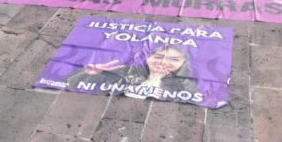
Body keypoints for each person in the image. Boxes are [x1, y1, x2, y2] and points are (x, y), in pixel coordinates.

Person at [65, 46, 199, 102]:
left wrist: (157, 79)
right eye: (158, 57)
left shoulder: (187, 84)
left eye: (174, 59)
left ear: (183, 63)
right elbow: (71, 84)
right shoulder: (124, 70)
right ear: (148, 58)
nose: (163, 62)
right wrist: (90, 73)